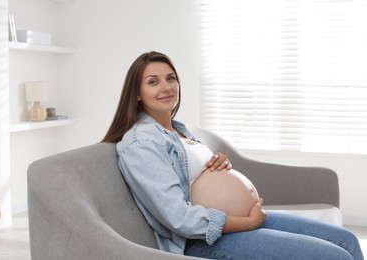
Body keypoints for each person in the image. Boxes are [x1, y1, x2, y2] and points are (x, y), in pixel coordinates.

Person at [102, 51, 364, 260]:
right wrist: (245, 223)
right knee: (334, 256)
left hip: (239, 222)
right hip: (201, 240)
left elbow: (194, 179)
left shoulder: (179, 129)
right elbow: (178, 217)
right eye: (153, 82)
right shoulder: (140, 143)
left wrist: (220, 164)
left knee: (347, 240)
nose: (166, 87)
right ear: (136, 94)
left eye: (171, 78)